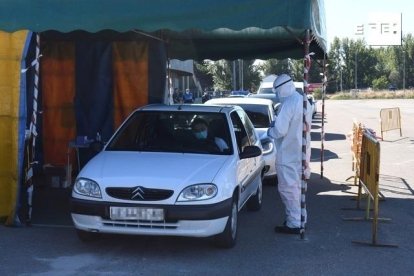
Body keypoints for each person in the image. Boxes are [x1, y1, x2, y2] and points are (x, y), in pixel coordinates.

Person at [267, 74, 308, 234]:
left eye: (277, 90)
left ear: (282, 88)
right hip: (300, 153)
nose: (277, 94)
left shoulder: (289, 103)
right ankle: (300, 219)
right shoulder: (303, 100)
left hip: (287, 154)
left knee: (288, 190)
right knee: (298, 190)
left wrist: (271, 130)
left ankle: (293, 224)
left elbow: (280, 130)